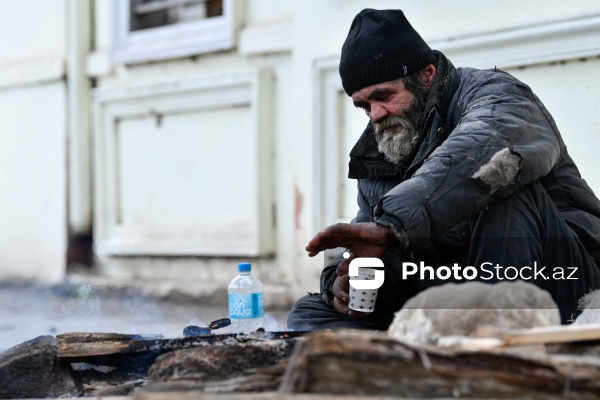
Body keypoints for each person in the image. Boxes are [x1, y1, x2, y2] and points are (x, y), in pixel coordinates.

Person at [287, 8, 600, 330]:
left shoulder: (495, 95)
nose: (376, 115)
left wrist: (392, 227)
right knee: (311, 313)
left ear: (427, 75)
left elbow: (481, 147)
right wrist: (343, 281)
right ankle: (407, 364)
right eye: (364, 105)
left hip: (559, 279)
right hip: (453, 288)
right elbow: (369, 234)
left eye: (384, 97)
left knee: (499, 178)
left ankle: (490, 348)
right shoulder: (382, 148)